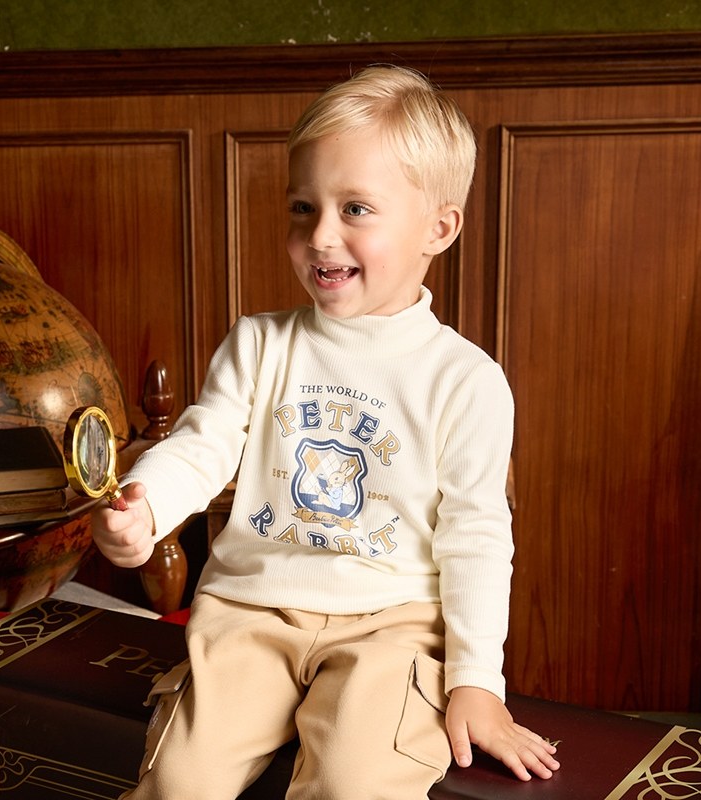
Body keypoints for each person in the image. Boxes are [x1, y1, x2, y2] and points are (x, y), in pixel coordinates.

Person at [92, 64, 560, 799]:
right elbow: (202, 444)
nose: (321, 236)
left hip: (392, 624)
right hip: (251, 612)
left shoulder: (465, 380)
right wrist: (145, 508)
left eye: (356, 209)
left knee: (351, 782)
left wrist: (476, 681)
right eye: (303, 207)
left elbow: (475, 537)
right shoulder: (259, 345)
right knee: (179, 780)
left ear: (438, 228)